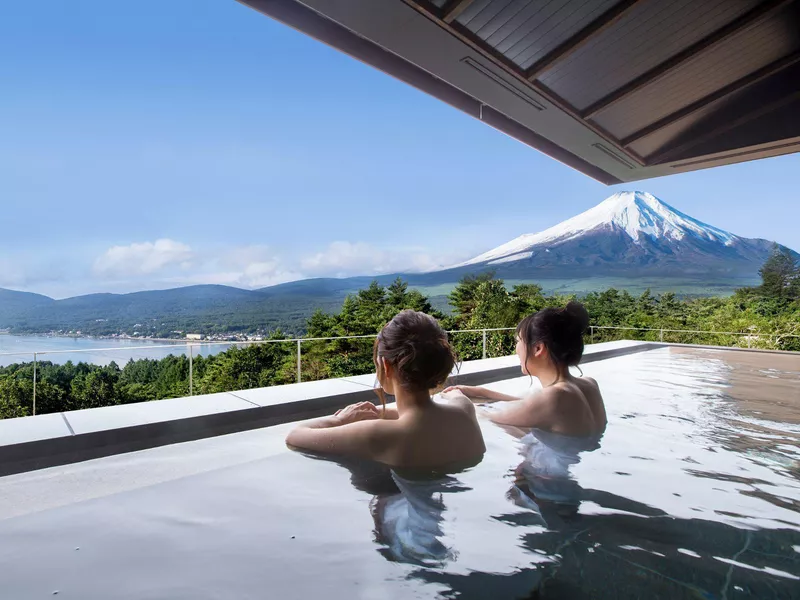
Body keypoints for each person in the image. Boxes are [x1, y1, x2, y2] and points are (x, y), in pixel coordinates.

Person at [286, 309, 486, 469]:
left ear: (386, 366)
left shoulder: (376, 434)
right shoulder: (465, 409)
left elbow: (295, 436)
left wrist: (340, 420)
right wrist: (381, 412)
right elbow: (435, 408)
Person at [444, 301, 605, 437]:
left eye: (518, 341)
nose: (516, 349)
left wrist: (457, 398)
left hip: (548, 474)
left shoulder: (554, 397)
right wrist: (482, 392)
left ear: (538, 349)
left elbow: (487, 417)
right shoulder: (589, 385)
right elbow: (529, 405)